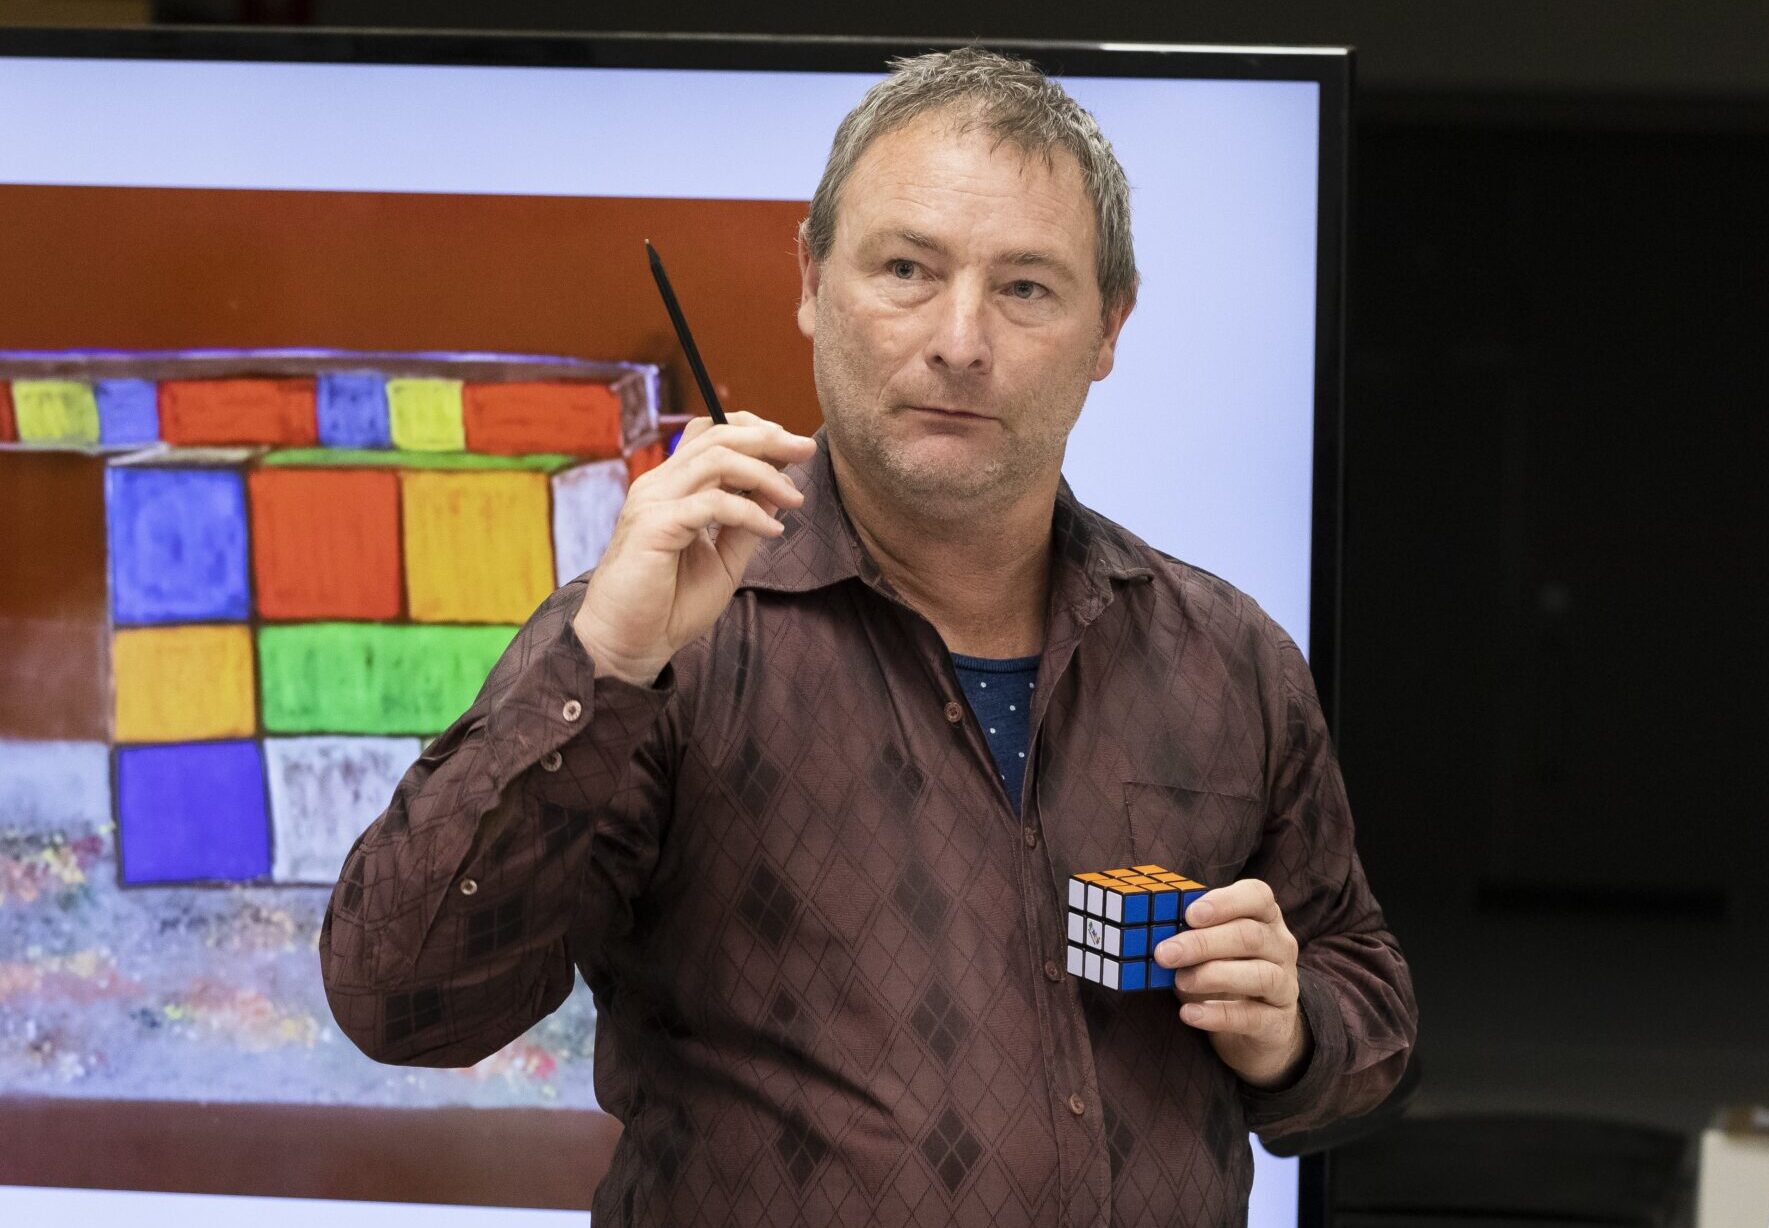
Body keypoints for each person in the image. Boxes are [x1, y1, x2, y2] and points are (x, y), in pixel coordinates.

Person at [318, 46, 1415, 1226]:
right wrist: (601, 663)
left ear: (1109, 329)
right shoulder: (668, 638)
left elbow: (1366, 1014)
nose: (958, 339)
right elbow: (402, 1001)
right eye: (906, 267)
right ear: (810, 280)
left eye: (1027, 288)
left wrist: (1293, 1027)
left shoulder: (1224, 655)